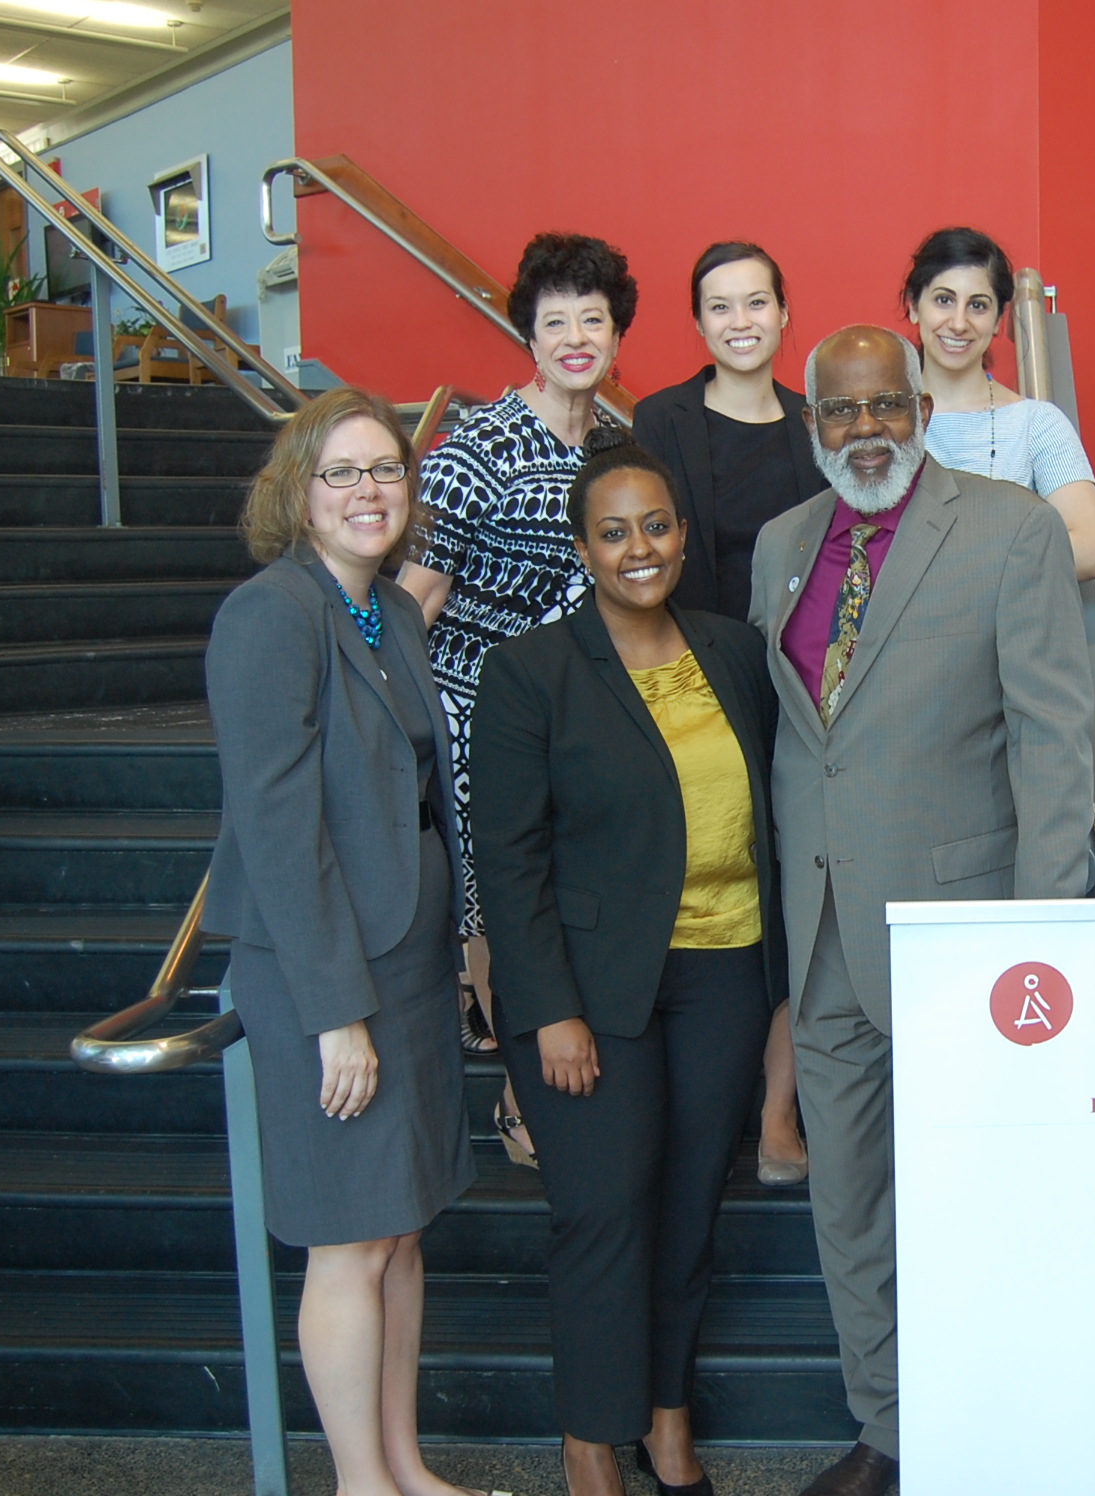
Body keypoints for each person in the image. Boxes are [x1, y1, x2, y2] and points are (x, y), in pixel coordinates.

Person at [749, 326, 1095, 1496]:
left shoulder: (1012, 528)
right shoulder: (782, 545)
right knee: (849, 1202)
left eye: (886, 406)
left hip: (968, 940)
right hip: (827, 937)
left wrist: (1040, 942)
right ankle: (890, 1430)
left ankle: (995, 1427)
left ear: (923, 410)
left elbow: (1058, 747)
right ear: (814, 426)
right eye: (841, 413)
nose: (867, 432)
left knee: (977, 1201)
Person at [472, 432, 784, 1496]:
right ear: (582, 547)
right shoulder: (531, 671)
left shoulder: (733, 650)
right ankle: (589, 1442)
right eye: (614, 532)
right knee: (605, 1213)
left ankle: (666, 1421)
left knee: (691, 1205)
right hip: (590, 992)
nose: (639, 547)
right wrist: (547, 1009)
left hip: (724, 973)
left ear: (685, 536)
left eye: (656, 525)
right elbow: (506, 861)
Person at [202, 388, 484, 1496]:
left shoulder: (393, 610)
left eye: (387, 470)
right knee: (351, 1239)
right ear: (298, 494)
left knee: (404, 1229)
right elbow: (278, 826)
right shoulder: (270, 614)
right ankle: (361, 1482)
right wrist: (334, 1013)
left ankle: (404, 1462)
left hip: (406, 954)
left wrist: (462, 941)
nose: (371, 491)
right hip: (323, 971)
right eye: (344, 472)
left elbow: (421, 798)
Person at [397, 232, 637, 1167]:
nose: (576, 337)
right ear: (527, 337)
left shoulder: (619, 444)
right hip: (480, 714)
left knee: (566, 892)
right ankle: (519, 1092)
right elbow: (416, 599)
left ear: (616, 333)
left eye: (594, 319)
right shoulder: (477, 446)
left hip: (577, 711)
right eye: (555, 322)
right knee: (502, 903)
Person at [633, 241, 826, 1189]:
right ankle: (698, 1096)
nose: (741, 320)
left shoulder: (817, 424)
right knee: (701, 880)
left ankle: (779, 1111)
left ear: (785, 313)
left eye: (757, 302)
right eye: (720, 305)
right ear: (698, 322)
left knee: (792, 892)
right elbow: (638, 553)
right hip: (690, 684)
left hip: (802, 691)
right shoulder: (660, 420)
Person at [901, 226, 1095, 581]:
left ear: (999, 320)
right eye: (943, 299)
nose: (958, 322)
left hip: (1010, 632)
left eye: (978, 306)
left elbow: (1094, 549)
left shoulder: (1036, 423)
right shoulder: (880, 422)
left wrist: (973, 567)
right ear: (913, 306)